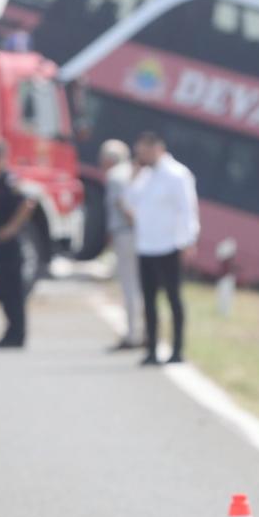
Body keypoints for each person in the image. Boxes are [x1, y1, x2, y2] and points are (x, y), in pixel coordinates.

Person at [124, 131, 198, 366]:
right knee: (149, 301)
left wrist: (188, 239)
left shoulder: (177, 174)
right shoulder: (144, 175)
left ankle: (177, 349)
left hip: (169, 244)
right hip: (146, 244)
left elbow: (188, 209)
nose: (140, 156)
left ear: (155, 148)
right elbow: (129, 201)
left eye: (143, 151)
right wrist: (133, 178)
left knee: (173, 299)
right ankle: (152, 349)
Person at [0, 140, 36, 349]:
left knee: (13, 290)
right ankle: (10, 332)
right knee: (4, 289)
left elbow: (28, 202)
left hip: (10, 246)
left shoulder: (9, 179)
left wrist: (11, 228)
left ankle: (17, 334)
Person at [100, 139, 142, 350]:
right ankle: (142, 331)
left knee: (129, 285)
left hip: (126, 233)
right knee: (140, 286)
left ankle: (133, 334)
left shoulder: (115, 176)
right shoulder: (135, 172)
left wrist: (134, 224)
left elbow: (122, 203)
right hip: (140, 235)